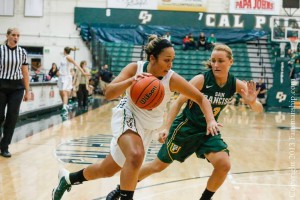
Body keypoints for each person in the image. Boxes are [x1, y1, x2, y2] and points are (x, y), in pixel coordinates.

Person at [52, 35, 221, 200]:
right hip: (127, 113)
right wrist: (131, 81)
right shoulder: (135, 68)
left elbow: (201, 98)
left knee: (107, 169)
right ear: (153, 58)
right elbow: (109, 93)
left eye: (172, 60)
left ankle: (68, 179)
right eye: (166, 60)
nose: (170, 65)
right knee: (136, 155)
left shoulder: (172, 79)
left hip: (148, 127)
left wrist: (210, 120)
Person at [107, 44, 264, 200]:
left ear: (231, 62)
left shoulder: (235, 84)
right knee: (157, 167)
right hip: (184, 128)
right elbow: (178, 103)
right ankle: (121, 189)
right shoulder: (201, 79)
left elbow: (259, 109)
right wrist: (167, 128)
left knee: (224, 165)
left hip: (208, 130)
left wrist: (252, 102)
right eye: (213, 60)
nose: (216, 65)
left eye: (221, 61)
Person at [0, 28, 30, 157]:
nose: (16, 37)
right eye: (13, 35)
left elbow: (25, 72)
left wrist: (28, 91)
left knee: (12, 117)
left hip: (17, 88)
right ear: (7, 36)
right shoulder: (0, 50)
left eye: (18, 35)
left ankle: (4, 146)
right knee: (0, 116)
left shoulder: (22, 52)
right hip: (1, 85)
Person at [57, 47, 87, 118]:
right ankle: (65, 105)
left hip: (66, 77)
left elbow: (76, 64)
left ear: (64, 50)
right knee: (61, 92)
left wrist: (83, 72)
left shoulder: (68, 57)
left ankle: (64, 108)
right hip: (61, 77)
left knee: (64, 92)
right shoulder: (63, 57)